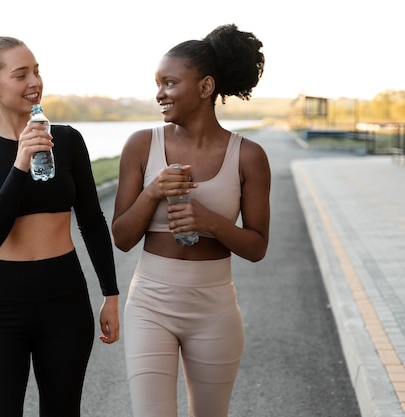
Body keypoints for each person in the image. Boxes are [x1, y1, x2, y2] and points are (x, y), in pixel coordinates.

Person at [0, 36, 120, 417]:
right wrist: (20, 162)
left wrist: (110, 294)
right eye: (21, 74)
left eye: (37, 70)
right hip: (0, 306)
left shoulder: (68, 139)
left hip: (65, 301)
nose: (35, 81)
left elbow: (91, 220)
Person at [112, 24, 270, 417]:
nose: (159, 94)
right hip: (150, 303)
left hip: (214, 309)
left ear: (205, 87)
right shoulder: (141, 145)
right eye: (157, 84)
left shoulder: (248, 156)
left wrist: (209, 222)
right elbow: (121, 236)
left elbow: (257, 247)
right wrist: (154, 191)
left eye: (169, 83)